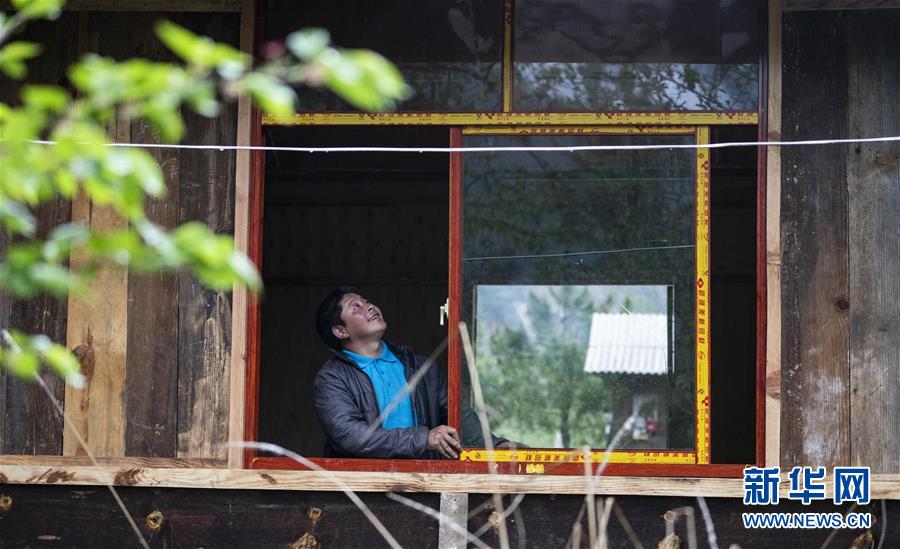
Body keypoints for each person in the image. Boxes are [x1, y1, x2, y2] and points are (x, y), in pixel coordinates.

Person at [313, 286, 508, 459]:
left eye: (367, 302)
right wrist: (424, 439)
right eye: (355, 307)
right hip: (364, 482)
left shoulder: (419, 367)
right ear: (341, 331)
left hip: (424, 479)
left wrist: (495, 446)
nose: (369, 306)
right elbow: (351, 436)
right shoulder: (332, 378)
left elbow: (457, 413)